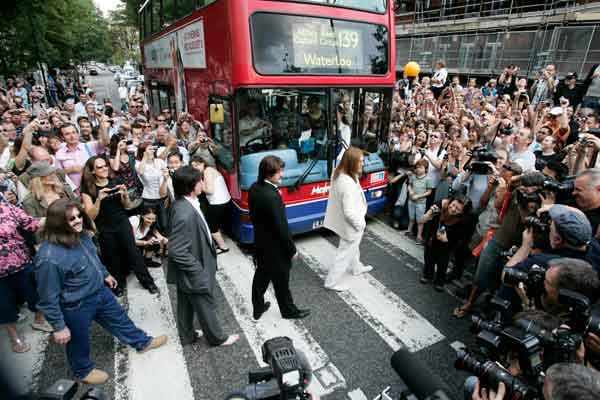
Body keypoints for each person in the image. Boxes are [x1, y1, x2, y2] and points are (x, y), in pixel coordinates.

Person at [34, 199, 167, 384]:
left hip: (99, 292)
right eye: (71, 219)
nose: (78, 220)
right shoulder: (48, 258)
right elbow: (47, 297)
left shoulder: (81, 236)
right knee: (79, 341)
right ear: (58, 223)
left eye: (79, 215)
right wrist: (59, 327)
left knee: (120, 319)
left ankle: (142, 342)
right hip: (75, 306)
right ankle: (83, 371)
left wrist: (104, 274)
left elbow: (92, 258)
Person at [167, 166, 239, 346]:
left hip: (188, 270)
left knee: (185, 303)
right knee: (204, 303)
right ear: (191, 186)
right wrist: (197, 270)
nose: (202, 183)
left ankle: (188, 335)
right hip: (194, 270)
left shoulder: (183, 203)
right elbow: (176, 250)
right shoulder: (185, 214)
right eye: (200, 180)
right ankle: (217, 338)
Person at [80, 156, 158, 296]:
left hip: (121, 222)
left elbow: (127, 207)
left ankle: (148, 282)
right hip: (104, 226)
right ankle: (118, 285)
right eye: (99, 167)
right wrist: (98, 199)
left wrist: (125, 196)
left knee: (133, 252)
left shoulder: (116, 181)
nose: (104, 169)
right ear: (92, 171)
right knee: (112, 256)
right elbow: (90, 216)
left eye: (105, 166)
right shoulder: (88, 188)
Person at [249, 155, 310, 320]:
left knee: (262, 275)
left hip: (261, 242)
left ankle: (258, 306)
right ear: (268, 174)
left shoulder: (255, 187)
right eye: (279, 172)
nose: (282, 174)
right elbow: (281, 227)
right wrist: (291, 250)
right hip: (275, 247)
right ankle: (289, 311)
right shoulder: (272, 196)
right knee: (281, 280)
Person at [0, 199, 52, 354]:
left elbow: (30, 223)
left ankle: (39, 320)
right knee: (3, 306)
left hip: (21, 264)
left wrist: (57, 215)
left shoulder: (6, 208)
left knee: (34, 294)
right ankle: (14, 336)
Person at [322, 147, 373, 291]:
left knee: (353, 247)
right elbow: (349, 212)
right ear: (351, 162)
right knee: (344, 254)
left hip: (347, 222)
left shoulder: (340, 172)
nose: (363, 164)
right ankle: (330, 282)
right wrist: (360, 225)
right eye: (360, 161)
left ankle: (356, 268)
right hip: (352, 223)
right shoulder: (347, 183)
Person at [420, 195, 472, 291]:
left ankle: (440, 281)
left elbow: (458, 241)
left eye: (457, 209)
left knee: (442, 263)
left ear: (462, 212)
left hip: (447, 244)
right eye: (453, 205)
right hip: (432, 238)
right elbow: (422, 220)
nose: (453, 209)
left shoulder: (463, 222)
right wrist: (429, 215)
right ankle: (428, 275)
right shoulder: (441, 205)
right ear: (450, 201)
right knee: (428, 258)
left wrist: (446, 240)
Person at [189, 155, 231, 253]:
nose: (195, 168)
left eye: (197, 165)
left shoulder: (207, 171)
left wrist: (199, 181)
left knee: (212, 227)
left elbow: (210, 190)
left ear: (203, 163)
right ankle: (219, 243)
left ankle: (223, 247)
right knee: (215, 224)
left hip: (218, 203)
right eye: (193, 166)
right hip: (223, 201)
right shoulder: (209, 170)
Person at [406, 158, 433, 242]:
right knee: (411, 217)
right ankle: (409, 230)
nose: (418, 169)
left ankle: (419, 235)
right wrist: (410, 191)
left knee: (420, 220)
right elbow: (409, 185)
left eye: (421, 167)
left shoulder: (428, 179)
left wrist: (419, 196)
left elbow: (429, 192)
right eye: (417, 167)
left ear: (426, 169)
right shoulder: (413, 177)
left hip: (420, 203)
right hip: (411, 200)